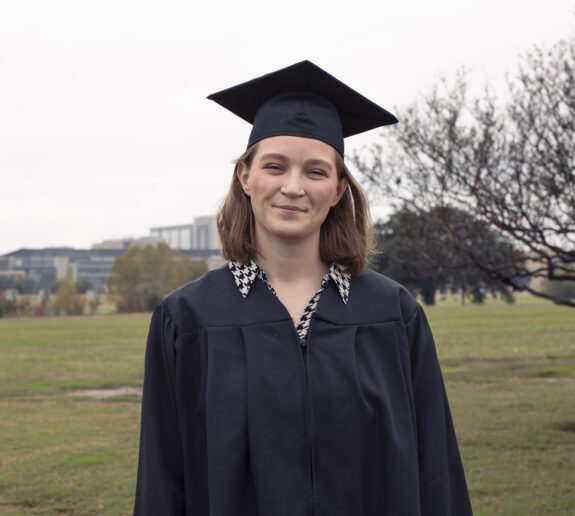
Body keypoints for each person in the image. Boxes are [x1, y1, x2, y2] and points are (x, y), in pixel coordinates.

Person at [133, 60, 471, 516]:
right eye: (275, 166)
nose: (293, 187)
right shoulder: (188, 320)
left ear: (336, 190)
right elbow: (162, 478)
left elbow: (436, 470)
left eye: (316, 172)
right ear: (245, 176)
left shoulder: (393, 314)